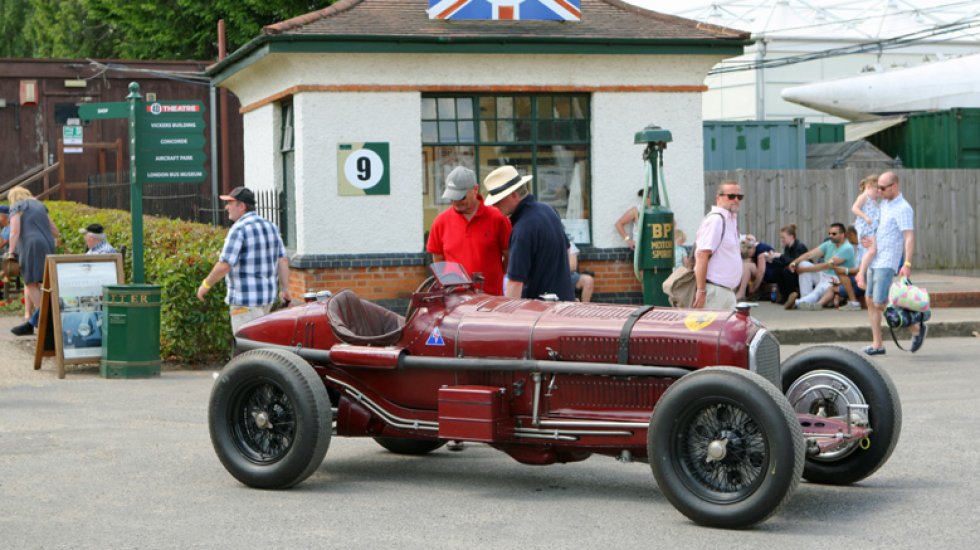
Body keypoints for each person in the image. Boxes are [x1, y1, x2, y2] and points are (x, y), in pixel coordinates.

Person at [197, 186, 292, 333]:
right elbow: (283, 260)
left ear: (241, 206)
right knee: (260, 348)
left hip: (244, 303)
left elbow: (225, 264)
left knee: (246, 349)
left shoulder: (239, 229)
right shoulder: (270, 226)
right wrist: (285, 289)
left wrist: (206, 285)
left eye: (230, 203)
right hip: (267, 301)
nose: (226, 207)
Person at [484, 165, 574, 301]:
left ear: (513, 195)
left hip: (539, 312)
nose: (494, 206)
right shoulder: (549, 210)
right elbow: (567, 252)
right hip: (564, 302)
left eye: (498, 200)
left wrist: (509, 317)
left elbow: (515, 282)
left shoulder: (522, 228)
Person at [861, 171, 923, 355]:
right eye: (877, 187)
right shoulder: (885, 204)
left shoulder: (903, 208)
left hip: (887, 260)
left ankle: (916, 328)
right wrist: (871, 242)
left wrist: (908, 263)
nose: (878, 191)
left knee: (880, 302)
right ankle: (877, 344)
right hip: (875, 258)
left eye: (882, 188)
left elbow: (909, 236)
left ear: (894, 186)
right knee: (870, 301)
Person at [426, 166, 511, 295]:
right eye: (452, 197)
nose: (456, 202)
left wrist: (496, 276)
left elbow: (509, 254)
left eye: (461, 197)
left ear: (475, 189)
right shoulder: (441, 222)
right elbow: (438, 257)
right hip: (455, 301)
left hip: (491, 299)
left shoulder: (497, 218)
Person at [6, 186, 61, 336]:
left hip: (31, 245)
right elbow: (55, 230)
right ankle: (36, 319)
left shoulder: (17, 206)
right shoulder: (40, 205)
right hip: (47, 244)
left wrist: (11, 252)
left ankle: (45, 319)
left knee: (30, 282)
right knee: (43, 282)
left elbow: (14, 231)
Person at [692, 181, 742, 310]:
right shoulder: (716, 220)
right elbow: (702, 255)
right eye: (731, 196)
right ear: (718, 198)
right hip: (714, 292)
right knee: (710, 330)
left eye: (739, 196)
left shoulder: (730, 220)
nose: (736, 199)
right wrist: (701, 291)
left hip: (726, 292)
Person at [784, 223, 856, 310]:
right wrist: (794, 263)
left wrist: (804, 269)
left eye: (834, 234)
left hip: (836, 279)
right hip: (823, 275)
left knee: (818, 290)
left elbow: (827, 265)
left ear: (842, 234)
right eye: (829, 233)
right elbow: (810, 254)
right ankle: (806, 299)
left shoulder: (847, 248)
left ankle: (798, 303)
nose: (831, 236)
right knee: (803, 263)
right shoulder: (829, 243)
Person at [769, 224, 808, 303]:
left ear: (791, 236)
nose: (782, 240)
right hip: (793, 271)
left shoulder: (800, 247)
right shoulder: (787, 247)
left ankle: (791, 295)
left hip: (802, 272)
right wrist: (772, 259)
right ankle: (785, 296)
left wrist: (780, 256)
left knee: (787, 271)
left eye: (783, 237)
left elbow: (795, 261)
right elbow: (785, 262)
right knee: (777, 271)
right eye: (781, 238)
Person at [736, 234, 775, 300]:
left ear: (753, 246)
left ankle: (741, 293)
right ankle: (736, 290)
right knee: (744, 263)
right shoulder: (751, 251)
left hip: (769, 274)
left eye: (749, 249)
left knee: (747, 265)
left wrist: (754, 288)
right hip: (761, 274)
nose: (748, 252)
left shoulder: (761, 249)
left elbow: (761, 272)